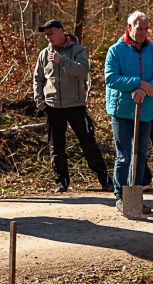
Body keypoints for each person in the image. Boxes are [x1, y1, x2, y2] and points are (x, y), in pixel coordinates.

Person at [34, 20, 113, 193]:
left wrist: (62, 60)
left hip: (76, 106)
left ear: (62, 31)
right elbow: (38, 79)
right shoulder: (43, 54)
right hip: (52, 108)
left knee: (88, 144)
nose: (48, 37)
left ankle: (105, 180)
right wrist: (41, 103)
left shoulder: (77, 50)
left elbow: (83, 71)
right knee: (56, 147)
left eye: (51, 33)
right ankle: (61, 182)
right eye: (46, 34)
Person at [104, 11, 153, 213]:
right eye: (139, 28)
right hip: (122, 111)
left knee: (140, 155)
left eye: (145, 28)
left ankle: (136, 195)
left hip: (145, 111)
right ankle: (120, 195)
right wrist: (137, 83)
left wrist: (148, 87)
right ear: (130, 28)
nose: (142, 32)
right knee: (124, 156)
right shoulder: (115, 51)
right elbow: (111, 78)